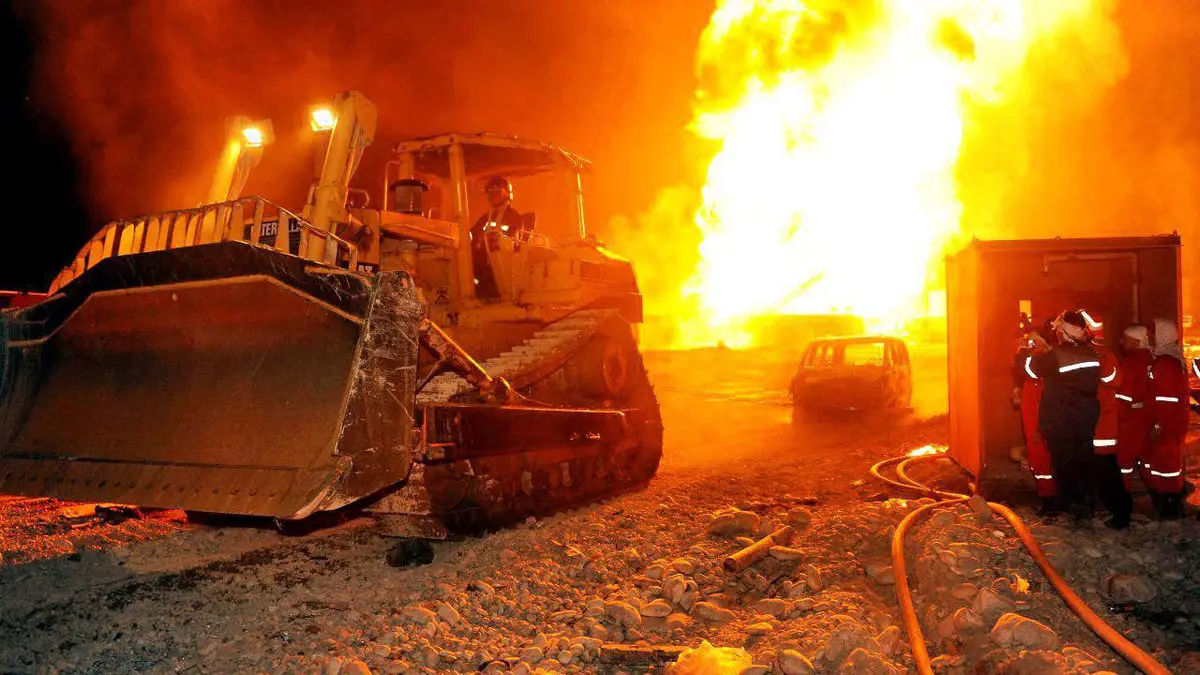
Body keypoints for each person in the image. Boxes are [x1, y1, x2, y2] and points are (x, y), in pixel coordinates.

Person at [1028, 310, 1101, 522]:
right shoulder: (1091, 354)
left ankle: (1071, 507)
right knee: (1084, 462)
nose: (1057, 333)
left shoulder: (1055, 357)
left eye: (1059, 330)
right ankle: (1088, 505)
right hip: (1085, 417)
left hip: (1060, 420)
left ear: (1065, 332)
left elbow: (1031, 370)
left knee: (1064, 465)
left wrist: (1033, 350)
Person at [1082, 309, 1132, 529]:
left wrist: (1097, 363)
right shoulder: (1088, 352)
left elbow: (1115, 379)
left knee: (1107, 472)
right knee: (1095, 471)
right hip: (1089, 424)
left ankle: (1121, 514)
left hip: (1102, 427)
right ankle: (1104, 510)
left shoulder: (1103, 355)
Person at [1145, 318, 1189, 518]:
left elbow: (1165, 399)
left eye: (1154, 334)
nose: (1151, 338)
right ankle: (1169, 503)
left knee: (1167, 466)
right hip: (1172, 423)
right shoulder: (1171, 359)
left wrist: (1157, 424)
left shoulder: (1166, 363)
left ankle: (1171, 506)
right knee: (1166, 464)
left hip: (1167, 424)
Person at [1012, 321, 1056, 509]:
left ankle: (1050, 499)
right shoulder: (1038, 366)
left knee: (1043, 457)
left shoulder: (1042, 364)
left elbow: (1026, 367)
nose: (1032, 346)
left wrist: (1022, 350)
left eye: (1035, 342)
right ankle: (1048, 494)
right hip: (1035, 425)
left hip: (1040, 425)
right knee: (1039, 457)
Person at [469, 177, 524, 300]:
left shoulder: (515, 217)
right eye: (489, 192)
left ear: (507, 194)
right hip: (485, 265)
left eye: (496, 191)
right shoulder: (485, 218)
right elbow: (470, 234)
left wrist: (494, 239)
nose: (492, 195)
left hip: (504, 267)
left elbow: (513, 242)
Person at [1116, 324, 1153, 490]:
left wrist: (1117, 417)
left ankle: (1122, 493)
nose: (1122, 342)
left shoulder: (1130, 363)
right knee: (1148, 457)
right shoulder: (1153, 360)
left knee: (1124, 458)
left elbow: (1124, 395)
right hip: (1149, 415)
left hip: (1132, 417)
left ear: (1137, 342)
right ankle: (1156, 492)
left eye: (1126, 339)